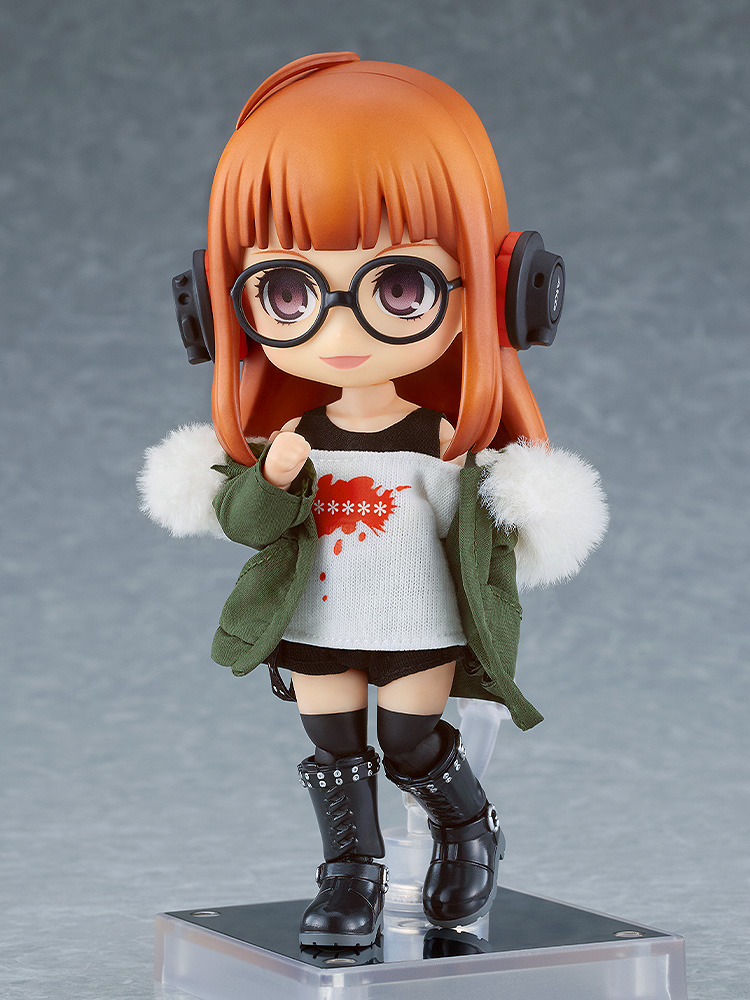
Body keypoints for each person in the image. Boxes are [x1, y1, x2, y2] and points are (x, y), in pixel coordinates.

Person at [139, 52, 608, 949]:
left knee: (409, 742)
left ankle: (465, 829)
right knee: (333, 751)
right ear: (219, 305)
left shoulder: (440, 439)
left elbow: (479, 548)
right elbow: (247, 526)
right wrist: (273, 480)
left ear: (500, 291)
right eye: (289, 292)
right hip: (319, 620)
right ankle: (348, 875)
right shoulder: (295, 437)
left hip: (417, 624)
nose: (341, 327)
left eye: (398, 288)